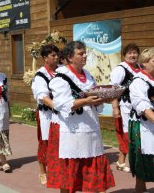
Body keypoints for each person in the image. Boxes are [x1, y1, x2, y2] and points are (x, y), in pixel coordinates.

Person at [47, 41, 115, 192]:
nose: (84, 56)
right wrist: (85, 101)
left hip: (90, 128)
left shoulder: (88, 75)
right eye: (80, 53)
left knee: (93, 172)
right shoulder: (61, 77)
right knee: (70, 175)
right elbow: (61, 104)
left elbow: (94, 97)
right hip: (72, 131)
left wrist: (103, 99)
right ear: (70, 57)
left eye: (85, 53)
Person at [110, 43, 141, 172]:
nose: (132, 55)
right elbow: (113, 90)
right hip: (126, 106)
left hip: (139, 106)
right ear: (124, 55)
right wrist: (115, 108)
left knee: (136, 134)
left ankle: (121, 161)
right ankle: (135, 164)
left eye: (135, 53)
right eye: (129, 53)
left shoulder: (140, 67)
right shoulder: (121, 69)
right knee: (128, 134)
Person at [31, 44, 58, 185]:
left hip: (60, 114)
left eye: (57, 55)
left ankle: (56, 168)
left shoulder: (61, 72)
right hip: (46, 113)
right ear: (45, 58)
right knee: (45, 141)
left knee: (59, 141)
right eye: (53, 55)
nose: (56, 57)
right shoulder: (40, 75)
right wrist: (57, 105)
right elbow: (42, 96)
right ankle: (42, 170)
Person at [128, 48, 154, 193]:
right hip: (143, 125)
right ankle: (140, 189)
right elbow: (143, 106)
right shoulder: (138, 82)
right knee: (142, 162)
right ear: (144, 63)